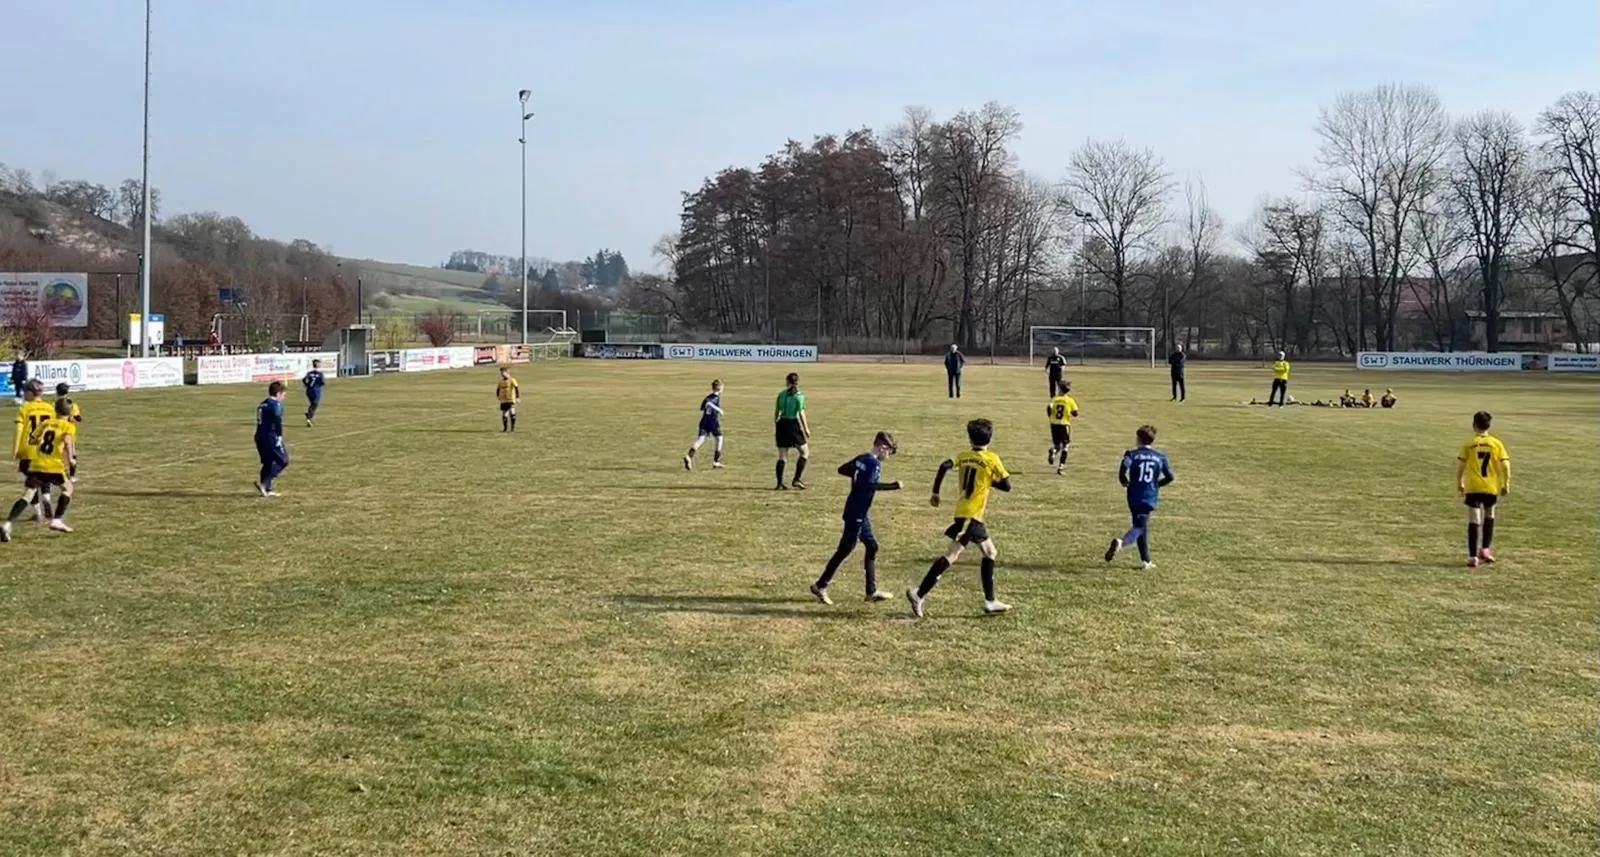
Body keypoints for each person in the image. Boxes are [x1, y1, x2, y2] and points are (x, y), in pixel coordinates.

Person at [907, 418, 1013, 618]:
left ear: (970, 438)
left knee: (990, 552)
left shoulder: (963, 456)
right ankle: (919, 593)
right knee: (952, 555)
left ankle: (990, 601)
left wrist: (935, 492)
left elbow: (944, 466)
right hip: (971, 516)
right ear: (990, 438)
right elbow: (1007, 486)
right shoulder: (992, 459)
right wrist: (990, 481)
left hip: (966, 513)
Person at [810, 431, 901, 605]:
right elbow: (870, 485)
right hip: (856, 513)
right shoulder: (874, 464)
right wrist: (892, 486)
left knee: (872, 546)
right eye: (889, 452)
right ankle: (820, 585)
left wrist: (857, 474)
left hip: (859, 512)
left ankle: (871, 591)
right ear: (883, 447)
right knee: (845, 549)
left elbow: (843, 469)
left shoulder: (862, 458)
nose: (888, 457)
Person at [1, 397, 78, 541]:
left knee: (28, 495)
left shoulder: (45, 423)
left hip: (36, 465)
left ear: (55, 410)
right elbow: (67, 441)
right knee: (68, 488)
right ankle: (57, 520)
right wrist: (71, 459)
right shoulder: (68, 426)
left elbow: (33, 439)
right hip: (54, 466)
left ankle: (7, 525)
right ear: (70, 412)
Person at [1105, 425, 1174, 569]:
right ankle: (1121, 543)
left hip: (1133, 495)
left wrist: (1123, 480)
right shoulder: (1160, 457)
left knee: (1141, 526)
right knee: (1140, 527)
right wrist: (1157, 484)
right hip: (1148, 495)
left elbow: (1124, 467)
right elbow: (1170, 477)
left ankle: (1146, 561)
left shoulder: (1132, 454)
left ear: (1138, 439)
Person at [1457, 410, 1510, 568]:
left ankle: (1473, 556)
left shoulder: (1469, 443)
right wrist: (1506, 483)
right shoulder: (1496, 443)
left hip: (1473, 486)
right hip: (1490, 486)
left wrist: (1459, 483)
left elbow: (1461, 465)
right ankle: (1485, 549)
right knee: (1490, 515)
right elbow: (1506, 465)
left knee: (1474, 519)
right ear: (1489, 425)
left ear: (1474, 425)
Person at [12, 380, 54, 520]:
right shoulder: (50, 408)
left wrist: (16, 451)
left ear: (30, 393)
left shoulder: (25, 408)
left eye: (25, 392)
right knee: (43, 476)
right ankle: (47, 497)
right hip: (46, 450)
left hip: (28, 451)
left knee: (30, 483)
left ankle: (37, 513)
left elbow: (19, 431)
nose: (23, 394)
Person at [773, 372, 810, 490]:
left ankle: (779, 483)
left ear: (787, 382)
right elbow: (801, 413)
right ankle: (796, 479)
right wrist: (806, 428)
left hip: (781, 424)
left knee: (782, 456)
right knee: (804, 452)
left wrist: (777, 424)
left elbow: (777, 411)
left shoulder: (781, 395)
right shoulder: (799, 396)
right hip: (793, 424)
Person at [254, 381, 290, 497]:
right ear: (278, 394)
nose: (284, 398)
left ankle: (267, 490)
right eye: (283, 395)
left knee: (268, 462)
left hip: (260, 436)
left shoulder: (262, 404)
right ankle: (265, 483)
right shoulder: (275, 405)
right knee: (283, 460)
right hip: (271, 436)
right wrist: (279, 435)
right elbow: (277, 419)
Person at [684, 379, 725, 470]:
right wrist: (718, 410)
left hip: (704, 421)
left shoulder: (708, 397)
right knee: (719, 438)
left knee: (701, 440)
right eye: (722, 387)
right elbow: (709, 403)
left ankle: (689, 456)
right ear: (719, 388)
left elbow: (702, 407)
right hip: (713, 421)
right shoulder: (715, 397)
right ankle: (716, 462)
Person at [1046, 381, 1080, 476]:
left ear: (1060, 389)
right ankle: (1061, 467)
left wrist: (1051, 417)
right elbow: (1075, 413)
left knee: (1057, 445)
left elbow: (1049, 408)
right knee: (1065, 446)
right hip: (1064, 424)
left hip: (1054, 424)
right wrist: (1070, 413)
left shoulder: (1055, 399)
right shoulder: (1070, 400)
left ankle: (1054, 451)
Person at [53, 383, 81, 483]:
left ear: (57, 392)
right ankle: (72, 475)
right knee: (71, 452)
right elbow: (79, 418)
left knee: (58, 452)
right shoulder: (72, 404)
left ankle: (57, 474)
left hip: (56, 430)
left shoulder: (54, 404)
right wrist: (71, 418)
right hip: (69, 431)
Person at [301, 359, 327, 426]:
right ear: (318, 365)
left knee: (313, 404)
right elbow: (323, 382)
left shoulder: (309, 373)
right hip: (316, 391)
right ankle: (309, 416)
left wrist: (307, 385)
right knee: (315, 404)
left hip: (309, 390)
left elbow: (303, 380)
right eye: (319, 363)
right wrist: (319, 385)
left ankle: (309, 419)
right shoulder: (320, 374)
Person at [496, 367, 520, 432]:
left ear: (507, 372)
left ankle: (512, 428)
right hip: (503, 400)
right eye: (501, 373)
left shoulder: (512, 380)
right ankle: (505, 428)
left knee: (512, 411)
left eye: (502, 372)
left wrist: (517, 397)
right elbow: (498, 389)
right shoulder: (500, 381)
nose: (501, 374)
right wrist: (498, 396)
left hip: (511, 399)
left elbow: (516, 388)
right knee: (504, 414)